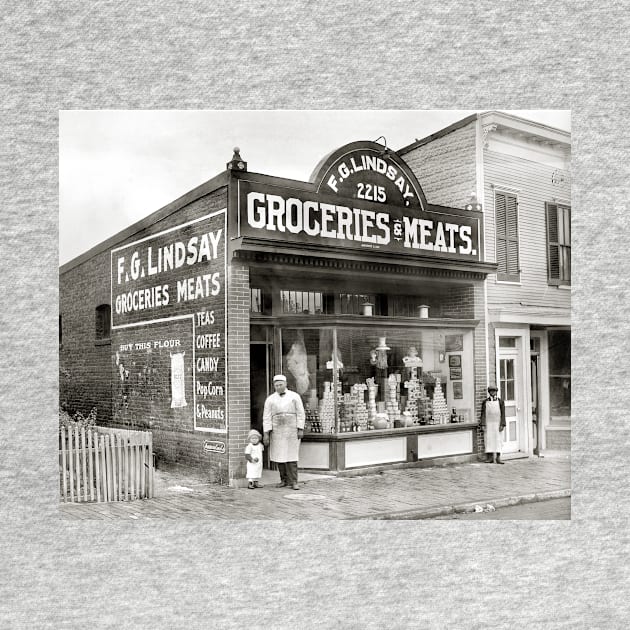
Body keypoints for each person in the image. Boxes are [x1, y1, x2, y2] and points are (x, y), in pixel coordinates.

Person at [262, 374, 305, 490]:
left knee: (292, 456)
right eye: (276, 385)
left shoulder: (294, 396)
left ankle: (294, 481)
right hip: (277, 431)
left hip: (291, 430)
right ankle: (283, 480)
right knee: (279, 456)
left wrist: (300, 428)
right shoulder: (270, 399)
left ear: (285, 384)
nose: (279, 387)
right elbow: (266, 417)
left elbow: (300, 413)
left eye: (280, 385)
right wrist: (266, 433)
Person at [480, 385, 506, 464]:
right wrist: (483, 424)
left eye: (494, 391)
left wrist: (502, 424)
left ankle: (498, 457)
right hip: (488, 424)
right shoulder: (485, 402)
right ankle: (490, 458)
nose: (493, 393)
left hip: (497, 424)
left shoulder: (500, 401)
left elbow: (503, 414)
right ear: (489, 392)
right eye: (491, 391)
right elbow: (483, 414)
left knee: (498, 440)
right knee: (489, 440)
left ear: (496, 392)